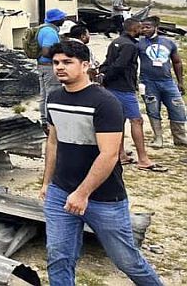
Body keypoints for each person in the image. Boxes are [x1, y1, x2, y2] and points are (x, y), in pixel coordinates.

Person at [41, 39, 163, 285]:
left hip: (104, 198)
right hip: (60, 193)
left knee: (127, 261)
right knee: (59, 257)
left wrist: (83, 193)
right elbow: (53, 143)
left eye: (67, 62)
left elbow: (108, 154)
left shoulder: (105, 102)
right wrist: (47, 183)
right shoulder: (54, 98)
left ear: (85, 65)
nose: (60, 67)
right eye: (56, 63)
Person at [99, 18, 165, 172]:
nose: (143, 30)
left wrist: (103, 75)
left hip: (112, 87)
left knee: (119, 120)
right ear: (134, 28)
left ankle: (121, 154)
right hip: (123, 88)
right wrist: (107, 77)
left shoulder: (117, 41)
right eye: (140, 28)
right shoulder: (129, 45)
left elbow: (108, 62)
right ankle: (143, 159)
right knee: (136, 120)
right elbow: (120, 66)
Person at [138, 16, 187, 147]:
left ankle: (180, 138)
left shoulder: (168, 43)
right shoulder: (139, 43)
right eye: (142, 27)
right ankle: (158, 138)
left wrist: (180, 81)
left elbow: (177, 62)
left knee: (178, 108)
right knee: (152, 109)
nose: (144, 29)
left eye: (148, 27)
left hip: (168, 82)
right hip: (148, 82)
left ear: (156, 27)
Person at [38, 8, 68, 132]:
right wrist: (59, 58)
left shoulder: (43, 29)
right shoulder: (50, 32)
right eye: (62, 17)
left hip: (42, 66)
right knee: (52, 94)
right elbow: (46, 51)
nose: (64, 19)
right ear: (57, 19)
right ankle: (51, 124)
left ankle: (44, 121)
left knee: (44, 95)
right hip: (49, 67)